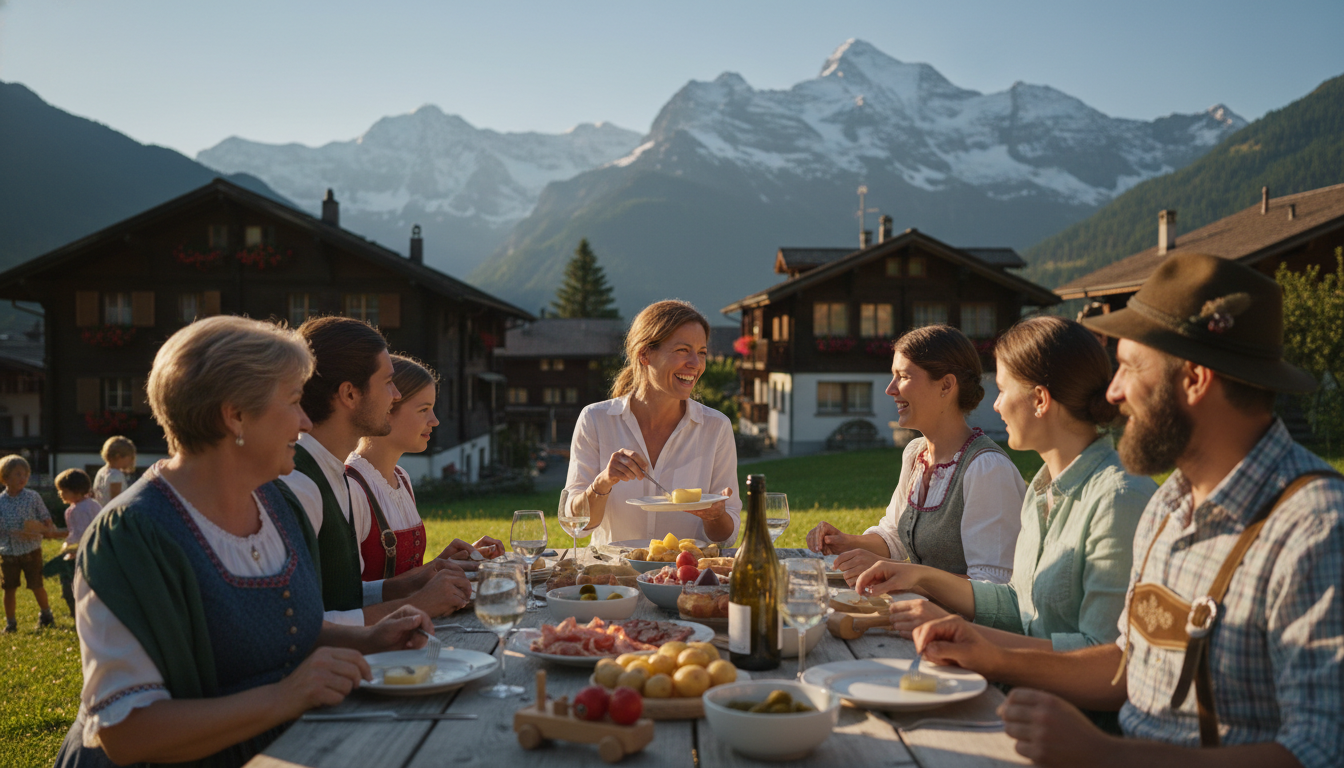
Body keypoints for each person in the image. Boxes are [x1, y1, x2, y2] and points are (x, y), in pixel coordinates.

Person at [912, 253, 1343, 768]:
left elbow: (1319, 751)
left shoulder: (1316, 528)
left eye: (1131, 367)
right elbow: (1128, 665)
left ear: (1196, 379)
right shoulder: (1168, 504)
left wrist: (1106, 755)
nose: (1112, 393)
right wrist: (994, 655)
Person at [53, 316, 434, 768]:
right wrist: (284, 697)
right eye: (294, 401)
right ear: (234, 414)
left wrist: (368, 638)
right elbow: (126, 734)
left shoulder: (276, 504)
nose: (305, 420)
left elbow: (283, 629)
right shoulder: (132, 536)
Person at [856, 316, 1156, 656]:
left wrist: (972, 640)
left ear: (1040, 399)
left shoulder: (1118, 499)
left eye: (1002, 390)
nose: (995, 404)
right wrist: (920, 580)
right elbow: (1019, 604)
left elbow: (1105, 658)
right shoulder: (1043, 488)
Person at [280, 316, 473, 624]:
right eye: (387, 383)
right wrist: (418, 604)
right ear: (350, 394)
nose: (396, 395)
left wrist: (414, 581)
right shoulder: (299, 484)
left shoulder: (333, 475)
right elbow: (299, 627)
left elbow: (343, 594)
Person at [807, 324, 1025, 584]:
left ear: (946, 385)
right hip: (916, 616)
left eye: (903, 376)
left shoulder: (987, 469)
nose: (890, 389)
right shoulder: (916, 454)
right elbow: (894, 536)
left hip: (959, 625)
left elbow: (992, 587)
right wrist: (845, 542)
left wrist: (901, 573)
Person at [565, 300, 741, 548]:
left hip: (686, 576)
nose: (696, 363)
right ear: (644, 354)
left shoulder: (716, 427)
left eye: (701, 352)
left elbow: (726, 537)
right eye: (683, 350)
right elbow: (575, 525)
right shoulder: (595, 419)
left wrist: (716, 515)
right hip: (613, 578)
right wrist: (604, 481)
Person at [346, 354, 503, 580]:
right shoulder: (352, 487)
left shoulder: (401, 479)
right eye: (424, 409)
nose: (435, 420)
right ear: (387, 408)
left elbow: (406, 577)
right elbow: (348, 597)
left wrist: (445, 563)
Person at [0, 455, 61, 631]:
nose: (23, 478)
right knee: (9, 588)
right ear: (5, 478)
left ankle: (46, 614)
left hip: (31, 550)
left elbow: (45, 517)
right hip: (8, 552)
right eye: (18, 474)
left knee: (36, 584)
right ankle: (10, 623)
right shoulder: (0, 501)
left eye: (26, 474)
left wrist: (47, 526)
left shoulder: (32, 497)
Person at [50, 469, 101, 617]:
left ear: (77, 491)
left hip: (80, 554)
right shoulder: (92, 504)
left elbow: (81, 533)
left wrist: (70, 548)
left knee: (73, 585)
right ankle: (86, 610)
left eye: (63, 490)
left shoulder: (79, 509)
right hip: (93, 552)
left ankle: (78, 612)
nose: (60, 494)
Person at [92, 436, 136, 507]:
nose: (131, 461)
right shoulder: (116, 475)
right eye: (129, 458)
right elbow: (115, 501)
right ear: (118, 456)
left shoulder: (101, 471)